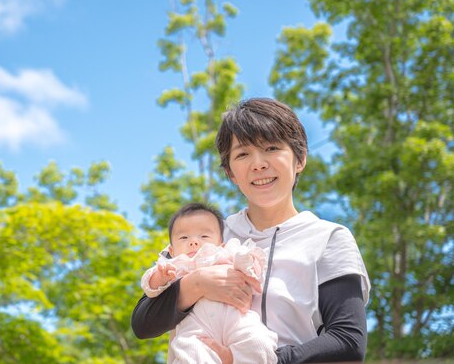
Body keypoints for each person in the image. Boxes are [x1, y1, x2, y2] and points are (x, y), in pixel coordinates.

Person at [131, 98, 370, 364]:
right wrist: (197, 284)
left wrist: (259, 360)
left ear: (300, 159)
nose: (258, 164)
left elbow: (349, 341)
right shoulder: (209, 234)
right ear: (230, 172)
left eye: (271, 148)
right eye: (243, 154)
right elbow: (143, 323)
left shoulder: (329, 239)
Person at [140, 202, 278, 364]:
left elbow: (254, 274)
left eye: (204, 236)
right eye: (184, 237)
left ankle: (239, 359)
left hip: (236, 319)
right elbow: (150, 289)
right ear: (171, 250)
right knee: (190, 352)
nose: (193, 242)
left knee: (259, 343)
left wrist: (245, 260)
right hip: (196, 328)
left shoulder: (227, 254)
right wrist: (159, 277)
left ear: (222, 244)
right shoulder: (174, 265)